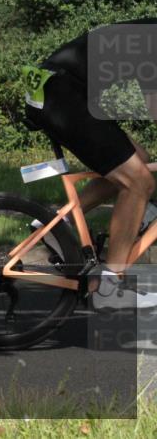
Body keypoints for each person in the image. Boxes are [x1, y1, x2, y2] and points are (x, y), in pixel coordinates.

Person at [23, 17, 157, 309]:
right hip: (61, 94)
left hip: (54, 89)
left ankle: (56, 225)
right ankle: (111, 288)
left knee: (139, 162)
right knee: (138, 181)